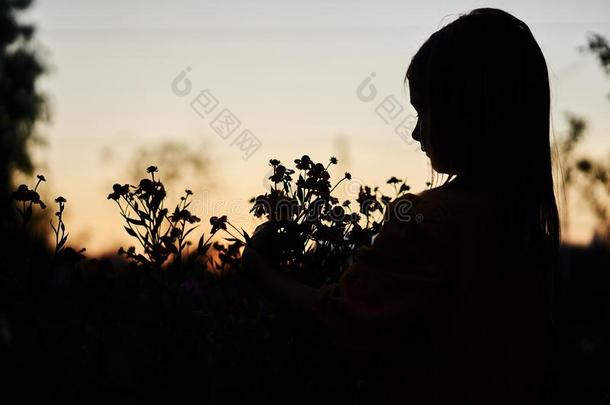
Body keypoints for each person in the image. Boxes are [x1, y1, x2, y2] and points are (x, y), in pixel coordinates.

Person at [242, 8, 560, 405]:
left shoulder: (427, 223)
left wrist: (258, 268)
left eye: (423, 111)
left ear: (466, 111)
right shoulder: (527, 234)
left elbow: (337, 323)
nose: (414, 131)